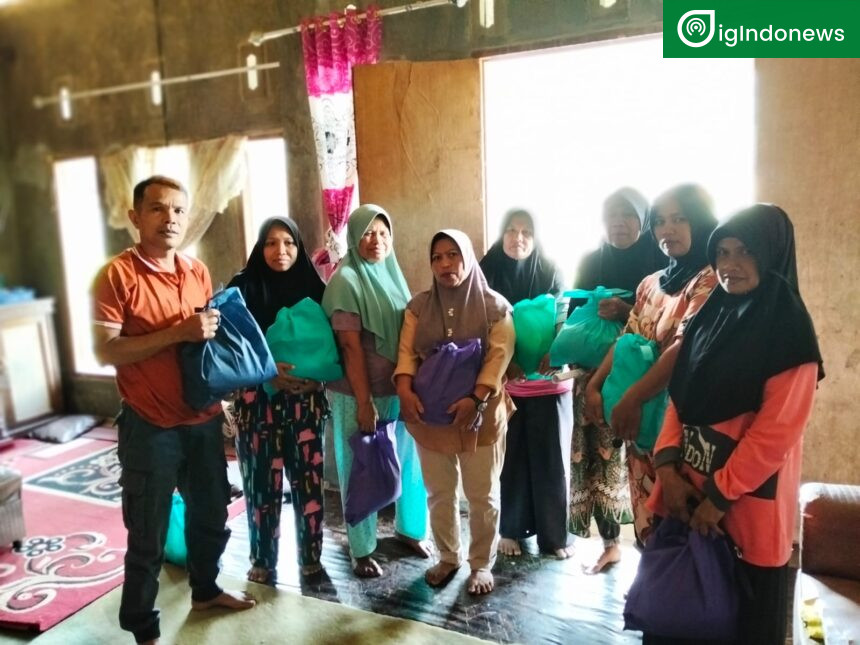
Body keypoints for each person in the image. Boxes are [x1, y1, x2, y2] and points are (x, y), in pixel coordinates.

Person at [646, 204, 823, 644]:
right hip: (685, 498)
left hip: (744, 511)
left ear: (771, 254)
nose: (730, 264)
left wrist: (719, 495)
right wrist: (668, 472)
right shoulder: (712, 316)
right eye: (722, 253)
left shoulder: (789, 332)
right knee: (673, 620)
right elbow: (679, 397)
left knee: (743, 629)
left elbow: (776, 433)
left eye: (745, 251)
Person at [92, 176, 255, 645]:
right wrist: (176, 333)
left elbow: (202, 344)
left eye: (179, 210)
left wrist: (224, 394)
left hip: (202, 419)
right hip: (150, 424)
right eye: (158, 208)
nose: (171, 219)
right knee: (148, 531)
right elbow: (106, 350)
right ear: (135, 217)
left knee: (211, 515)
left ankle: (206, 590)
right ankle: (144, 628)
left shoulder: (196, 270)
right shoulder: (117, 275)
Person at [584, 184, 718, 546]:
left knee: (682, 529)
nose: (667, 230)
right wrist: (595, 385)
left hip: (680, 428)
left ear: (700, 221)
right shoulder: (650, 284)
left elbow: (682, 349)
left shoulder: (710, 281)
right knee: (647, 521)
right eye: (659, 221)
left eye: (679, 219)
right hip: (640, 427)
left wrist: (632, 399)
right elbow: (625, 338)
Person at [396, 229, 515, 595]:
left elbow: (499, 356)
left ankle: (481, 564)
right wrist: (404, 390)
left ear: (468, 257)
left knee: (482, 494)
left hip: (480, 413)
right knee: (439, 491)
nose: (445, 264)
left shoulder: (495, 307)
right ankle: (448, 556)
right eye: (437, 257)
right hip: (430, 414)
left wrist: (475, 399)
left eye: (453, 255)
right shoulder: (418, 307)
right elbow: (407, 354)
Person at [321, 204, 431, 578]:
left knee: (411, 461)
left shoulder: (392, 275)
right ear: (354, 236)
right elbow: (350, 348)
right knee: (361, 467)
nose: (376, 240)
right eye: (368, 232)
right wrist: (364, 401)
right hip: (358, 394)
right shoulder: (346, 280)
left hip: (398, 388)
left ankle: (411, 530)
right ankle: (362, 548)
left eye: (383, 233)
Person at [568, 188, 666, 573]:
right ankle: (610, 545)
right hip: (594, 377)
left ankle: (654, 555)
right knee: (598, 461)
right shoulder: (592, 261)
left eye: (628, 215)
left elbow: (660, 327)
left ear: (643, 220)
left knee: (647, 464)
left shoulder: (660, 265)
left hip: (648, 387)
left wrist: (625, 310)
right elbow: (573, 315)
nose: (618, 223)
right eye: (611, 215)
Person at [227, 216, 327, 582]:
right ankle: (262, 559)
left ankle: (311, 556)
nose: (279, 250)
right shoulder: (241, 290)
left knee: (308, 482)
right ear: (259, 247)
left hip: (305, 401)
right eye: (270, 242)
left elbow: (333, 348)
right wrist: (267, 372)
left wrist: (317, 381)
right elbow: (229, 349)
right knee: (260, 485)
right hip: (257, 404)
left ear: (298, 247)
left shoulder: (316, 289)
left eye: (288, 242)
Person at [479, 208, 573, 559]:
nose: (518, 238)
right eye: (511, 230)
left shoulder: (551, 271)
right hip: (507, 385)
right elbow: (479, 323)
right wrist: (506, 362)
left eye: (526, 232)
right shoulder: (488, 271)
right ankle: (511, 530)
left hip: (550, 384)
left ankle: (554, 537)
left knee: (551, 461)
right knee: (512, 460)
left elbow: (565, 318)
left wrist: (556, 350)